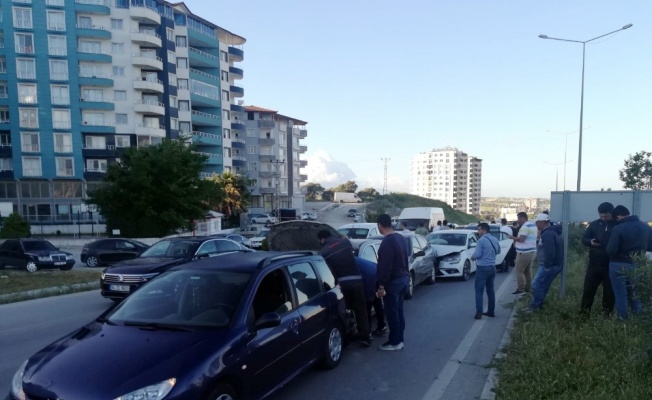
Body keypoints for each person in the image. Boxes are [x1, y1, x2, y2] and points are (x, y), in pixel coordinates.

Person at [318, 229, 371, 346]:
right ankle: (365, 337)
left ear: (322, 239)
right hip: (357, 280)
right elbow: (356, 249)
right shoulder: (345, 242)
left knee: (343, 310)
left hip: (342, 284)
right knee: (361, 310)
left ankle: (346, 338)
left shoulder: (323, 252)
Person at [606, 205, 650, 319]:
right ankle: (639, 318)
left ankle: (622, 320)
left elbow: (611, 249)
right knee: (635, 293)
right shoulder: (646, 227)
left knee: (620, 294)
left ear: (619, 217)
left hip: (618, 264)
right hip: (637, 264)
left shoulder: (619, 228)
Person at [375, 213, 409, 351]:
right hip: (403, 279)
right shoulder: (400, 238)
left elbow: (385, 266)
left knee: (392, 313)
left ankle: (394, 342)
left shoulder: (387, 242)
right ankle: (400, 340)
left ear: (379, 226)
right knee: (399, 312)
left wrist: (381, 286)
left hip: (393, 282)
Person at [579, 202, 616, 316]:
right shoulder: (595, 224)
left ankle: (607, 314)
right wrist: (590, 242)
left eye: (606, 216)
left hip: (611, 264)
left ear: (612, 214)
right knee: (588, 290)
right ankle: (584, 312)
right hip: (594, 264)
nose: (604, 218)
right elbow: (584, 238)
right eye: (601, 216)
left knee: (609, 292)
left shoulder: (617, 225)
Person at [529, 213, 563, 311]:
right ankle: (537, 304)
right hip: (551, 264)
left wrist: (547, 265)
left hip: (548, 265)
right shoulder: (550, 232)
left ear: (543, 223)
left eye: (537, 223)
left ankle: (536, 306)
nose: (536, 225)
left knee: (537, 284)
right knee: (541, 285)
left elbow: (550, 251)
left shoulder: (547, 234)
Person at [471, 223, 500, 319]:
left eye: (479, 230)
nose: (478, 232)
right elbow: (498, 251)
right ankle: (491, 311)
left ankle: (479, 312)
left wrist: (473, 257)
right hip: (492, 267)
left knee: (479, 291)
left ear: (484, 230)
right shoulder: (495, 239)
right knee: (490, 290)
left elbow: (478, 254)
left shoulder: (481, 240)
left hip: (482, 268)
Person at [355, 256, 388, 336]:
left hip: (369, 278)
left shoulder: (348, 262)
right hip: (375, 273)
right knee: (377, 302)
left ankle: (367, 333)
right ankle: (381, 327)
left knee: (367, 306)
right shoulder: (356, 259)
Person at [508, 212, 538, 295]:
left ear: (523, 218)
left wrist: (512, 237)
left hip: (524, 252)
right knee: (527, 271)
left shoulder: (525, 227)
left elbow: (521, 239)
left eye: (519, 219)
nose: (518, 221)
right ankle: (528, 288)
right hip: (531, 251)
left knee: (519, 270)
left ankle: (521, 289)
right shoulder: (533, 225)